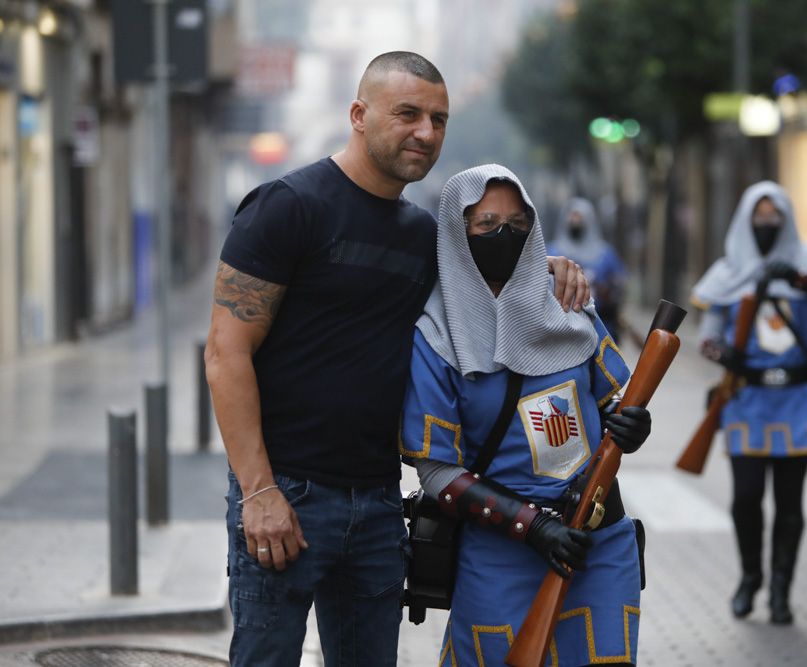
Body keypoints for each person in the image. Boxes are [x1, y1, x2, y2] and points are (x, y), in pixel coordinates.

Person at [203, 52, 589, 666]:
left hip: (380, 502)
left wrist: (547, 267)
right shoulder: (288, 205)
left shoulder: (421, 233)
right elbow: (225, 354)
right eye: (407, 114)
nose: (426, 133)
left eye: (438, 119)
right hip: (288, 494)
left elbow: (481, 279)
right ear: (358, 114)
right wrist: (259, 493)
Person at [400, 164, 652, 666]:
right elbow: (435, 471)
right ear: (457, 230)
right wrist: (532, 526)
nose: (504, 235)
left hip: (595, 543)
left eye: (517, 223)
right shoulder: (433, 333)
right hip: (500, 551)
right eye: (486, 223)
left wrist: (632, 426)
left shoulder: (568, 302)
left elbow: (608, 407)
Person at [690, 181, 807, 625]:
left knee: (790, 504)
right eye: (758, 216)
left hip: (798, 400)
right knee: (745, 497)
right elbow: (706, 338)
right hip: (747, 397)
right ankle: (750, 577)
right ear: (746, 220)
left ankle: (781, 590)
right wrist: (727, 354)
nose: (766, 223)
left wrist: (796, 278)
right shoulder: (728, 272)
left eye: (773, 215)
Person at [548, 197, 628, 342]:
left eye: (579, 216)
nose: (575, 221)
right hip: (561, 330)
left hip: (601, 327)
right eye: (572, 215)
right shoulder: (552, 252)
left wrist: (607, 294)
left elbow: (620, 285)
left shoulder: (605, 254)